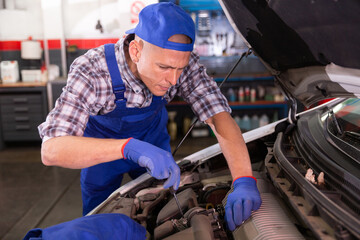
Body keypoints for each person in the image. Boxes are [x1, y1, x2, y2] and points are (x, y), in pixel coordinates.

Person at [38, 2, 261, 231]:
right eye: (164, 67)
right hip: (100, 155)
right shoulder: (92, 70)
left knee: (163, 210)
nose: (174, 80)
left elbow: (217, 115)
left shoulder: (181, 62)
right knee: (96, 222)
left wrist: (243, 179)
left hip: (153, 147)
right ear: (136, 51)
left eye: (180, 69)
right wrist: (128, 148)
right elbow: (52, 150)